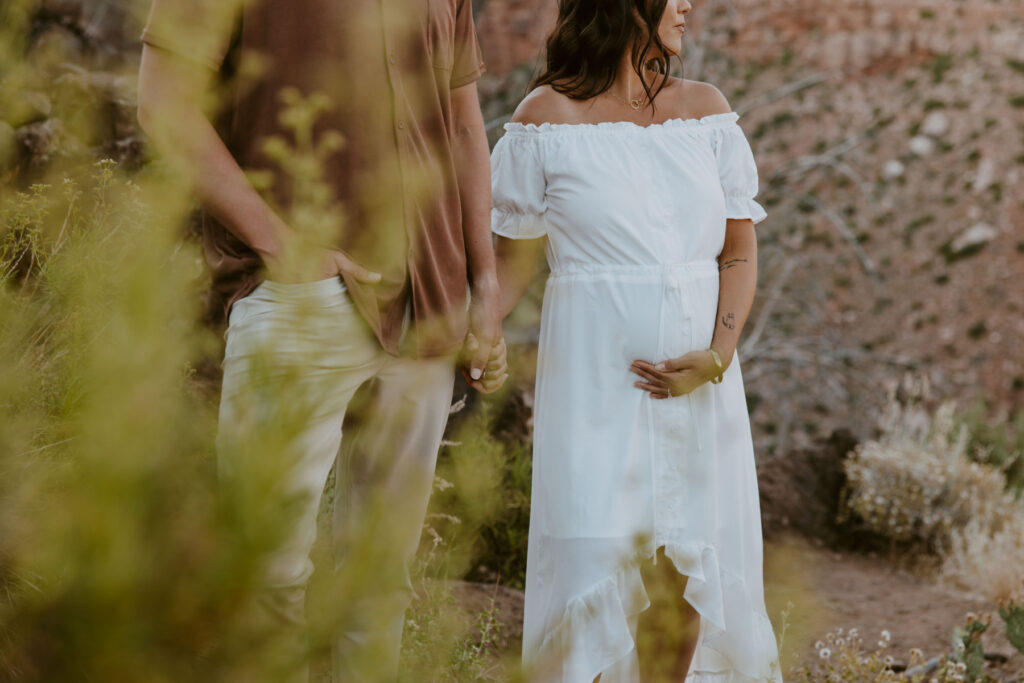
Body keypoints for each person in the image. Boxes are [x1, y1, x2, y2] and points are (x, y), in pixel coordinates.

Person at [136, 1, 507, 680]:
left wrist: (484, 289)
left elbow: (461, 124)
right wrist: (284, 245)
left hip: (430, 306)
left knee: (380, 582)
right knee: (263, 574)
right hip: (298, 298)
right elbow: (164, 103)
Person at [491, 0, 782, 680]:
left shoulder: (706, 111)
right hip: (595, 388)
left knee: (682, 579)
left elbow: (738, 249)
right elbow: (509, 266)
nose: (687, 6)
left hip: (697, 392)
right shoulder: (544, 121)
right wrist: (473, 335)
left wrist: (717, 357)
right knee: (597, 570)